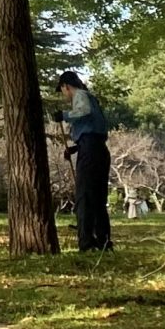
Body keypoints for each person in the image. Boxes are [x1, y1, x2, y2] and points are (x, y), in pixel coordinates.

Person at [56, 73, 112, 252]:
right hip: (98, 149)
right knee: (98, 197)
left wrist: (63, 115)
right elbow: (92, 130)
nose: (64, 94)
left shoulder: (80, 95)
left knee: (85, 196)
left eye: (62, 90)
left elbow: (83, 111)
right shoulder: (91, 98)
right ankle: (103, 239)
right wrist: (75, 148)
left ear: (66, 86)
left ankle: (86, 241)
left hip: (90, 151)